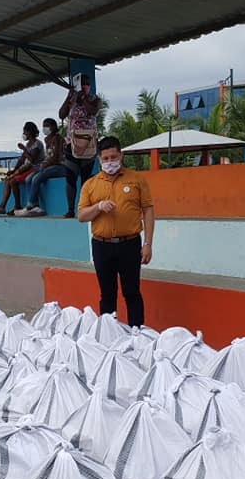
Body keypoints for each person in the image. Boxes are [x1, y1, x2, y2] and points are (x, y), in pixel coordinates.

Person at [77, 136, 154, 327]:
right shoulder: (90, 184)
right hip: (102, 245)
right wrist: (98, 207)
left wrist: (148, 244)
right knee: (107, 294)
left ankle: (137, 333)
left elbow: (148, 210)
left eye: (113, 157)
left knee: (132, 292)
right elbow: (81, 215)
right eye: (105, 158)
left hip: (130, 243)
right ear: (99, 159)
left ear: (121, 155)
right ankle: (108, 334)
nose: (110, 162)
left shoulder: (136, 179)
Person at [59, 73, 101, 218]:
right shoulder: (72, 100)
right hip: (72, 144)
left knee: (86, 177)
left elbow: (93, 111)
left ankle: (85, 208)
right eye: (81, 84)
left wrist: (82, 98)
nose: (84, 86)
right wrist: (69, 96)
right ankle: (70, 209)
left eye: (86, 84)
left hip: (89, 144)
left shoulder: (94, 99)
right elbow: (61, 114)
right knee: (70, 177)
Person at [16, 117, 68, 217]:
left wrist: (44, 165)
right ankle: (35, 206)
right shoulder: (47, 140)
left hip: (61, 166)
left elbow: (56, 158)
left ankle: (31, 205)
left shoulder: (58, 138)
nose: (44, 128)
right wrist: (43, 165)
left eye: (47, 126)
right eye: (44, 126)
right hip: (50, 165)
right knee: (28, 179)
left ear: (53, 127)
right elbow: (48, 157)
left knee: (37, 178)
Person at [0, 122, 44, 215]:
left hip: (35, 168)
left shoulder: (37, 144)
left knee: (13, 181)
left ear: (29, 132)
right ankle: (2, 206)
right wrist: (13, 171)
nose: (24, 134)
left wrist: (24, 149)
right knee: (8, 180)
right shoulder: (28, 145)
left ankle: (17, 206)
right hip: (27, 168)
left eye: (25, 132)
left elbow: (32, 160)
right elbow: (22, 160)